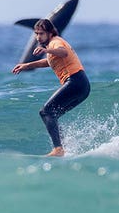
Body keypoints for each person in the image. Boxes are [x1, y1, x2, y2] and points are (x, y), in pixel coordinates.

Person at [11, 19, 90, 157]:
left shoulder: (56, 42)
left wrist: (46, 49)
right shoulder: (52, 45)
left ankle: (58, 149)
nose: (38, 37)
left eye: (41, 33)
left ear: (49, 33)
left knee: (46, 112)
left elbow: (63, 52)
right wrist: (26, 65)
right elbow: (49, 61)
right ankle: (64, 148)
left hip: (75, 81)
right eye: (36, 33)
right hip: (82, 85)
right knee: (52, 115)